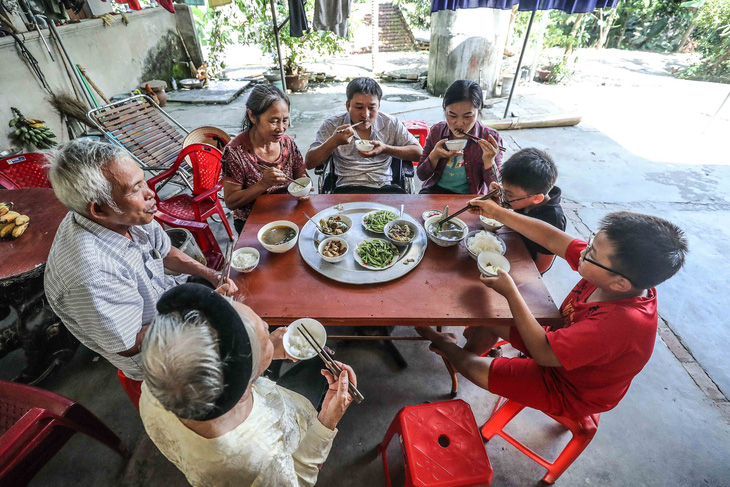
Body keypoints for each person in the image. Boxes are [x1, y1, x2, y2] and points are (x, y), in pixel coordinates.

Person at [417, 205, 687, 418]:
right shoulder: (616, 276)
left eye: (591, 253)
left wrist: (511, 292)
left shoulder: (618, 325)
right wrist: (499, 212)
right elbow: (551, 238)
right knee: (490, 312)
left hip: (570, 388)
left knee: (474, 367)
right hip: (559, 343)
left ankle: (449, 348)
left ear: (620, 283)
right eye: (591, 242)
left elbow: (543, 353)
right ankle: (469, 351)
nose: (584, 251)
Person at [44, 139, 236, 409]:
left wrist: (213, 276)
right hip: (153, 354)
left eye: (143, 181)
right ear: (98, 209)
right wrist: (202, 315)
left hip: (165, 303)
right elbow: (129, 343)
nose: (151, 194)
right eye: (136, 189)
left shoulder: (125, 214)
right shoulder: (90, 275)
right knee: (195, 407)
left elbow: (166, 252)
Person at [140, 284, 357, 487]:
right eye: (265, 336)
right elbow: (298, 479)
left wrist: (263, 347)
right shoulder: (256, 459)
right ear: (246, 380)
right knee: (316, 371)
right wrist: (328, 419)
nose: (266, 325)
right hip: (291, 440)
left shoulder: (155, 385)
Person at [305, 77, 422, 193]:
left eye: (371, 108)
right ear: (348, 106)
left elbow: (420, 154)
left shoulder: (390, 123)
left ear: (379, 106)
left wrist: (385, 149)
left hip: (384, 188)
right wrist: (334, 142)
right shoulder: (333, 124)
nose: (365, 115)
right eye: (359, 107)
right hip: (346, 189)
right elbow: (310, 163)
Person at [222, 84, 308, 233]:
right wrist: (263, 184)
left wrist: (304, 189)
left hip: (288, 211)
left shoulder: (287, 143)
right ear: (252, 116)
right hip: (252, 220)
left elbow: (301, 176)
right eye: (274, 121)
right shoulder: (235, 152)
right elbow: (230, 202)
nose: (281, 128)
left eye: (285, 120)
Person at [417, 80, 504, 195]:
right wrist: (434, 156)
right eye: (452, 115)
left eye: (467, 116)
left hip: (471, 197)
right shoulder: (437, 131)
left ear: (479, 109)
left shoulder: (490, 138)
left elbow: (496, 189)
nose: (459, 123)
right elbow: (422, 175)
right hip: (435, 192)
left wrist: (489, 162)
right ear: (444, 109)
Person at [493, 148, 566, 274]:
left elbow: (543, 265)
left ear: (536, 198)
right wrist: (498, 195)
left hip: (523, 271)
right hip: (510, 249)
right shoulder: (525, 198)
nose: (504, 196)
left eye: (509, 195)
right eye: (503, 190)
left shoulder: (554, 220)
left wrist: (518, 279)